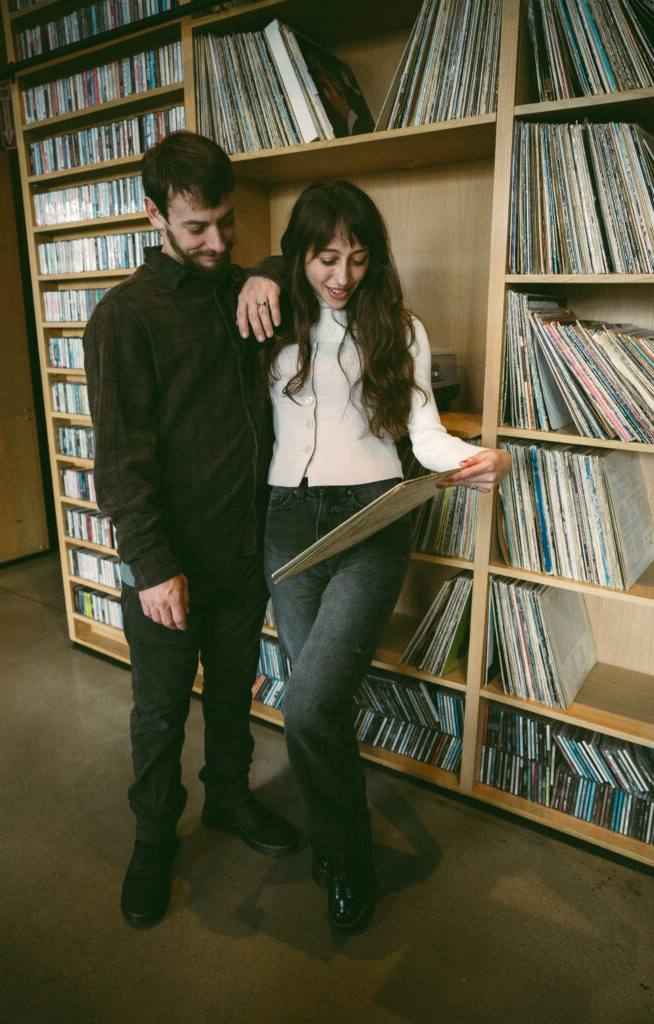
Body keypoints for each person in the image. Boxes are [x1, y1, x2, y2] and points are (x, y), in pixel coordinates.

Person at [258, 180, 512, 934]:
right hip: (286, 523)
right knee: (322, 706)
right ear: (299, 255)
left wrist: (478, 459)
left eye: (358, 258)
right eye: (325, 258)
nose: (342, 275)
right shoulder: (270, 321)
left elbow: (422, 434)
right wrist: (257, 279)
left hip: (371, 519)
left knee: (308, 703)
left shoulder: (398, 329)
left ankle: (345, 859)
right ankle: (340, 843)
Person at [83, 131, 296, 931]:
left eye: (226, 222)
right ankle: (151, 839)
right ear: (154, 216)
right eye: (196, 227)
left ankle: (229, 800)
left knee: (235, 696)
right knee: (160, 711)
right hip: (166, 568)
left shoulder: (247, 289)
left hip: (243, 555)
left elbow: (315, 264)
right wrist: (150, 566)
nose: (216, 241)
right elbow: (118, 463)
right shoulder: (123, 317)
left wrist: (270, 268)